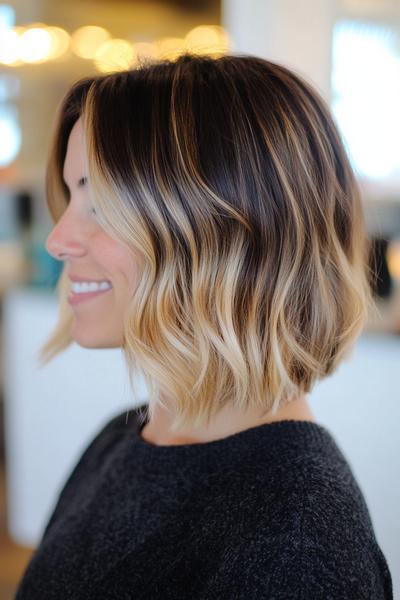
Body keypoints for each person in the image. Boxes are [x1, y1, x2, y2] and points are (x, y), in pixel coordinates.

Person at [15, 53, 393, 599]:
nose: (58, 239)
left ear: (222, 234)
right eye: (73, 195)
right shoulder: (125, 436)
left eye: (103, 204)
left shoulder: (297, 544)